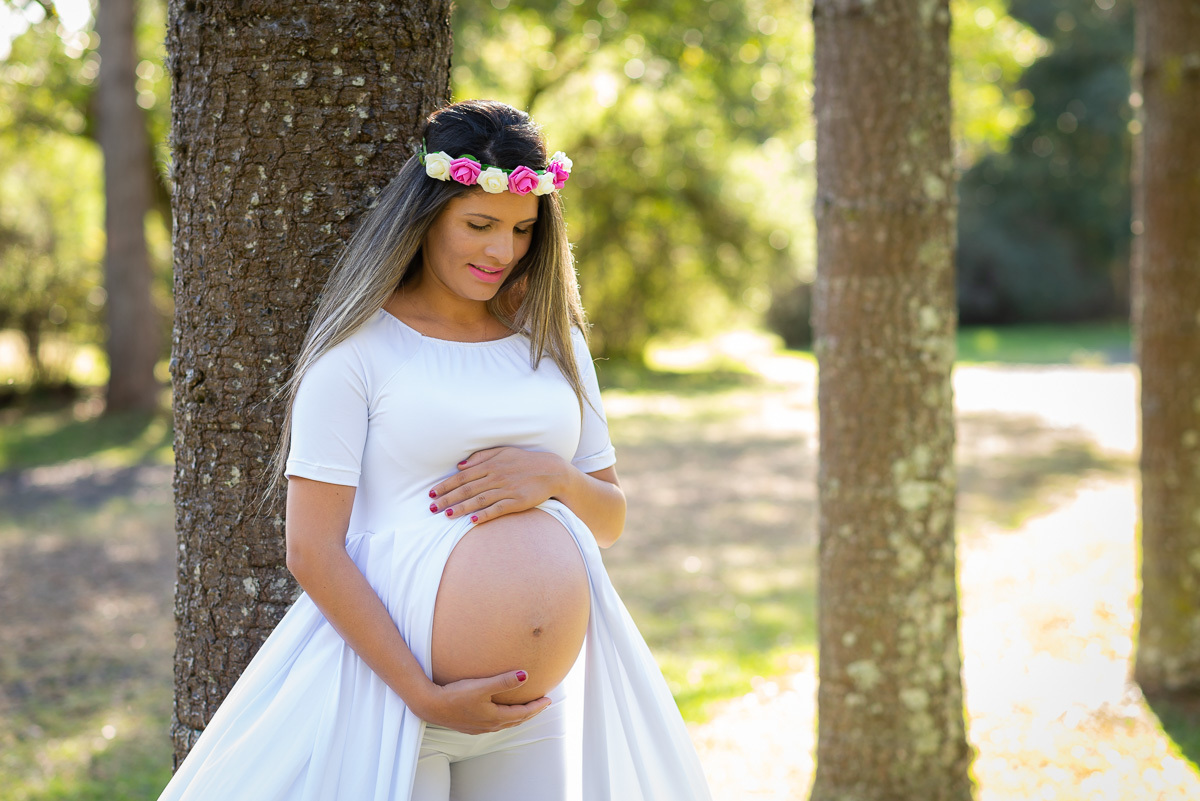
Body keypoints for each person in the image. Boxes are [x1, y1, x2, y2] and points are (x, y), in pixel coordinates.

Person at [157, 99, 711, 801]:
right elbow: (312, 549)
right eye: (478, 224)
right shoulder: (357, 353)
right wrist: (422, 692)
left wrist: (555, 477)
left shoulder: (556, 343)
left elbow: (609, 519)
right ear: (425, 215)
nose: (500, 251)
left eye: (520, 229)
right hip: (394, 700)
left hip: (534, 707)